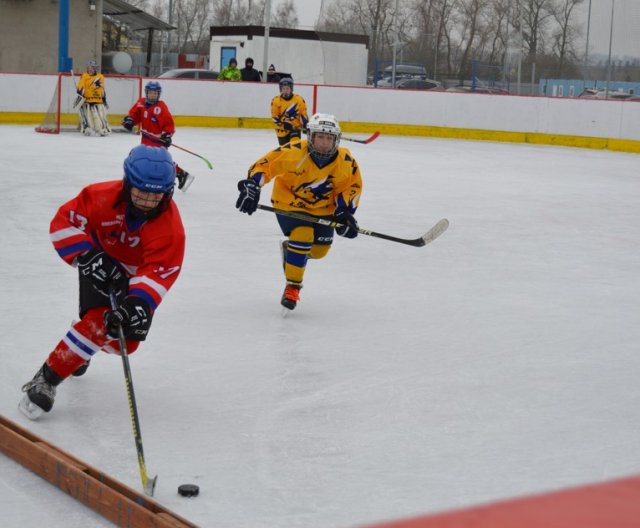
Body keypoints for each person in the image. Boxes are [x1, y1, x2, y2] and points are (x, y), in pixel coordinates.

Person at [19, 145, 186, 420]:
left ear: (167, 193)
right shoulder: (99, 197)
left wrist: (138, 303)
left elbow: (160, 268)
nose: (146, 201)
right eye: (140, 192)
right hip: (98, 263)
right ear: (127, 184)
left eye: (155, 195)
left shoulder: (170, 227)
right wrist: (86, 256)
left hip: (135, 277)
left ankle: (82, 338)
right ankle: (45, 379)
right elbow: (63, 222)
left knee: (125, 343)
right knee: (99, 323)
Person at [235, 113, 362, 311]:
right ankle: (292, 287)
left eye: (329, 138)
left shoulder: (346, 160)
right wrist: (252, 186)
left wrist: (345, 213)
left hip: (322, 208)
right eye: (320, 137)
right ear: (310, 137)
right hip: (289, 203)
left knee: (320, 251)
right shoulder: (294, 151)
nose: (324, 143)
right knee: (303, 235)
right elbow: (266, 165)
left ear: (336, 141)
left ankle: (292, 250)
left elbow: (351, 186)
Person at [121, 81, 194, 191]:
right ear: (146, 93)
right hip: (145, 138)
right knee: (145, 159)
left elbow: (168, 124)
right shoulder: (141, 102)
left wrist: (167, 136)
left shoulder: (161, 107)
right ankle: (179, 173)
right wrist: (130, 121)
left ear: (158, 94)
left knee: (159, 161)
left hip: (158, 140)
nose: (153, 95)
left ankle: (180, 173)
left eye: (155, 93)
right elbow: (134, 114)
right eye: (150, 92)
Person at [75, 59, 110, 136]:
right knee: (88, 117)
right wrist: (80, 91)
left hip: (98, 101)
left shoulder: (100, 76)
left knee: (100, 117)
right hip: (87, 101)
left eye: (92, 68)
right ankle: (88, 129)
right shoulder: (84, 76)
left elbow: (101, 88)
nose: (90, 70)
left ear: (95, 69)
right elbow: (81, 85)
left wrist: (104, 100)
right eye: (89, 68)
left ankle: (102, 129)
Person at [271, 77, 309, 146]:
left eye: (287, 88)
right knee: (285, 150)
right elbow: (274, 117)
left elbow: (303, 114)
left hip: (295, 129)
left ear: (291, 89)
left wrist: (305, 124)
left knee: (295, 147)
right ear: (280, 89)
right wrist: (284, 125)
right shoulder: (276, 101)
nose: (285, 91)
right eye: (283, 89)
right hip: (281, 130)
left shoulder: (299, 99)